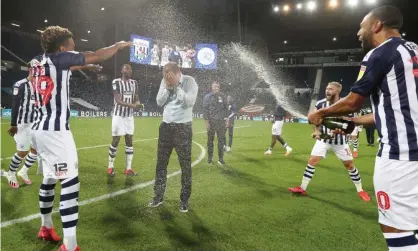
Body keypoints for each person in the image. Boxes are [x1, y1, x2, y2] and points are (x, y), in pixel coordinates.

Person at [308, 6, 418, 250]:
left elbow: (353, 101)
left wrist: (319, 113)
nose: (359, 32)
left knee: (396, 228)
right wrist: (356, 122)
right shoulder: (414, 51)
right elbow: (399, 109)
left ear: (376, 25)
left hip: (401, 157)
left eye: (362, 26)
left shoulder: (379, 54)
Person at [29, 25, 132, 251]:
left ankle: (46, 227)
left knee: (49, 178)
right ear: (63, 47)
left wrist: (80, 66)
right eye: (72, 45)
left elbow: (56, 70)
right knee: (70, 181)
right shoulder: (60, 59)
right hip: (56, 132)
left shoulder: (37, 62)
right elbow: (99, 53)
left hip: (38, 129)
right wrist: (117, 46)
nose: (75, 46)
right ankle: (70, 244)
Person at [289, 82, 371, 202]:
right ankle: (302, 188)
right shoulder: (320, 104)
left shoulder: (347, 104)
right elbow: (315, 120)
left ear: (337, 91)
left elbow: (351, 124)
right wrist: (317, 131)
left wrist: (344, 131)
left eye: (330, 89)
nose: (327, 91)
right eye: (327, 89)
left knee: (350, 165)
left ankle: (360, 190)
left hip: (341, 142)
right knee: (312, 160)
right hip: (324, 139)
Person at [148, 62, 198, 213]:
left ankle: (184, 200)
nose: (167, 79)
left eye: (170, 77)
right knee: (161, 164)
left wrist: (176, 87)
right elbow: (159, 102)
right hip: (166, 127)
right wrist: (168, 88)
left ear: (178, 73)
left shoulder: (189, 81)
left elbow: (190, 102)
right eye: (165, 77)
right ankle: (158, 196)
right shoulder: (164, 82)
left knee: (185, 166)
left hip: (183, 127)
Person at [107, 64, 141, 177]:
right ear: (121, 70)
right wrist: (132, 105)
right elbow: (118, 100)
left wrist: (137, 104)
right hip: (118, 115)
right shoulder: (116, 82)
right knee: (116, 140)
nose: (128, 70)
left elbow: (136, 98)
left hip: (129, 116)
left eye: (130, 69)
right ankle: (110, 167)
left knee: (129, 140)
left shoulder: (134, 83)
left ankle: (128, 168)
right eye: (126, 68)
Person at [6, 73, 38, 188]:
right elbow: (15, 105)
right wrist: (13, 124)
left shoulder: (41, 84)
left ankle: (23, 171)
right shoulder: (20, 84)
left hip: (36, 123)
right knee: (22, 152)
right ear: (31, 69)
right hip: (22, 124)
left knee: (35, 150)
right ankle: (11, 174)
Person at [203, 81, 229, 165]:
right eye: (215, 86)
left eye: (218, 86)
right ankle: (210, 158)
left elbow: (226, 109)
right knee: (210, 141)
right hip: (211, 122)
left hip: (221, 122)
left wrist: (227, 120)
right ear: (212, 87)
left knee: (221, 141)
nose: (217, 88)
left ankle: (220, 159)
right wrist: (207, 122)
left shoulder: (223, 96)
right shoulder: (207, 97)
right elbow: (205, 110)